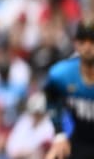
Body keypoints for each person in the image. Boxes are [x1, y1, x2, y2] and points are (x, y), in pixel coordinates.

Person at [44, 22, 94, 159]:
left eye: (93, 41)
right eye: (83, 41)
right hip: (80, 139)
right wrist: (59, 134)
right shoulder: (62, 75)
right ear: (76, 44)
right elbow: (51, 100)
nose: (88, 47)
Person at [6, 91, 55, 158]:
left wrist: (28, 152)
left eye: (39, 112)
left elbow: (42, 150)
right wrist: (24, 153)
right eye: (33, 111)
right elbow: (11, 147)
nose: (36, 114)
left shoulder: (50, 123)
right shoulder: (24, 119)